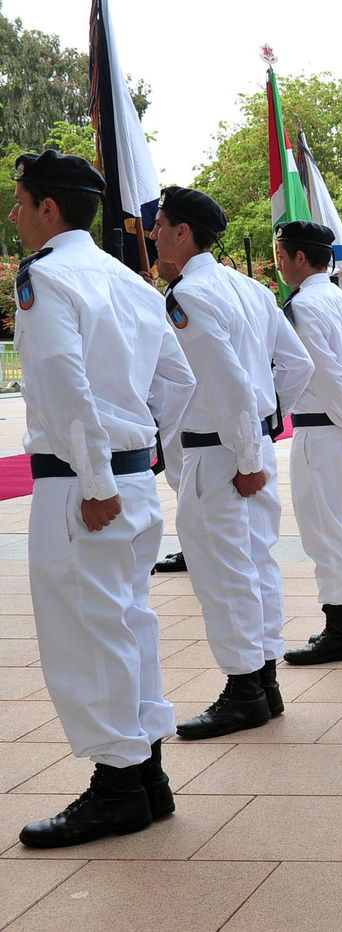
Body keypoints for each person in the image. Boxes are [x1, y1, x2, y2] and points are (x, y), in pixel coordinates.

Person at [10, 150, 196, 848]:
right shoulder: (130, 281)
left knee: (86, 635)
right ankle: (146, 773)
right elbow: (177, 383)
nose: (15, 214)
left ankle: (118, 785)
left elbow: (61, 380)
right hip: (130, 481)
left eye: (21, 201)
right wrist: (141, 462)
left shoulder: (49, 280)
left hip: (80, 488)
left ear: (48, 210)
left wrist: (93, 481)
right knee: (126, 624)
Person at [152, 186, 314, 740]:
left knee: (224, 573)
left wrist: (246, 452)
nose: (153, 234)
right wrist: (267, 429)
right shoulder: (248, 288)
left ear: (182, 232)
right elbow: (295, 368)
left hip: (220, 453)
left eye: (160, 224)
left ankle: (245, 688)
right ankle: (263, 681)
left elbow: (226, 386)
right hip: (246, 447)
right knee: (255, 564)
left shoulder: (189, 295)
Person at [275, 221, 342, 664]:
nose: (279, 264)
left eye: (281, 255)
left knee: (324, 527)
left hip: (324, 427)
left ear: (300, 258)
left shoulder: (304, 306)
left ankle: (340, 627)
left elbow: (325, 373)